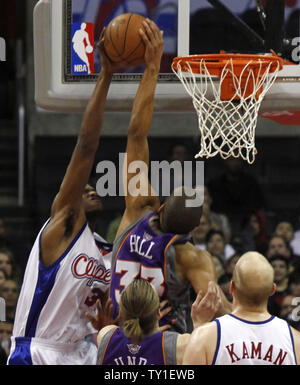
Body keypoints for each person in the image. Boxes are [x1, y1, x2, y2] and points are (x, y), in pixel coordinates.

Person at [109, 19, 232, 334]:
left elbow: (136, 135)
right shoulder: (190, 256)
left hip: (115, 339)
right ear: (196, 228)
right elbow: (220, 309)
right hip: (165, 346)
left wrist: (152, 67)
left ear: (161, 207)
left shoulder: (137, 210)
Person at [7, 31, 117, 365]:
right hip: (39, 351)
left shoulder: (109, 253)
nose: (90, 189)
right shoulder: (63, 227)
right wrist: (107, 74)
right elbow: (86, 145)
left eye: (93, 187)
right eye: (82, 189)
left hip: (83, 352)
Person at [183, 252, 300, 365]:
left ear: (232, 287)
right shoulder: (295, 340)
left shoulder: (205, 335)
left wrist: (198, 328)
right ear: (272, 290)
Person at [97, 279, 221, 365]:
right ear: (158, 313)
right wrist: (200, 324)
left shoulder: (105, 336)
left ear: (121, 313)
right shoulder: (180, 345)